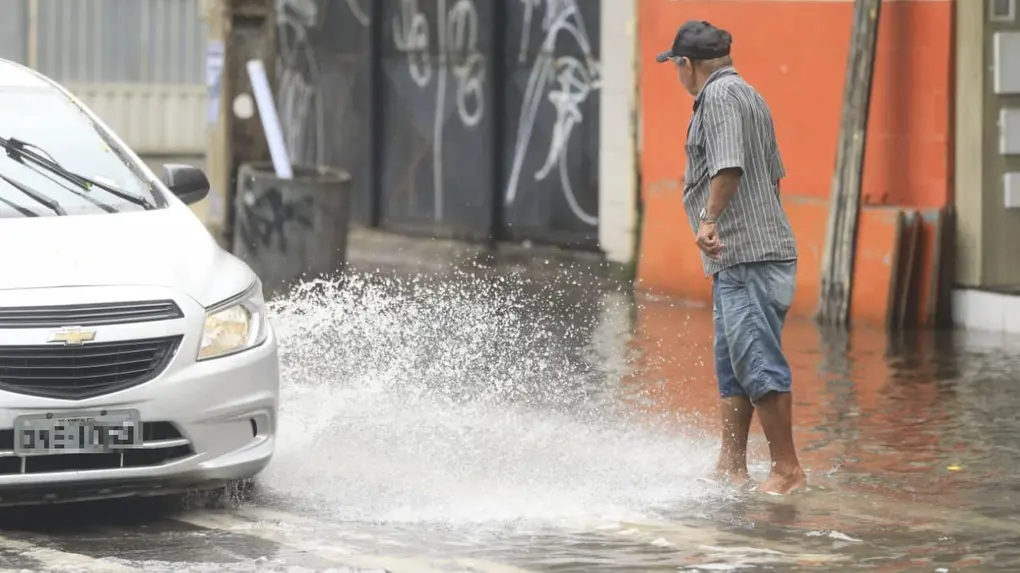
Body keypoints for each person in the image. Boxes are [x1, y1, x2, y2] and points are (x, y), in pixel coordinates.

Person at [655, 21, 806, 495]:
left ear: (687, 64)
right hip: (748, 255)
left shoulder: (718, 99)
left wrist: (709, 221)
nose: (677, 74)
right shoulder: (750, 95)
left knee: (757, 360)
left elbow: (729, 166)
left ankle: (787, 471)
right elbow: (774, 177)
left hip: (747, 256)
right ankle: (732, 464)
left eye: (676, 66)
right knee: (734, 363)